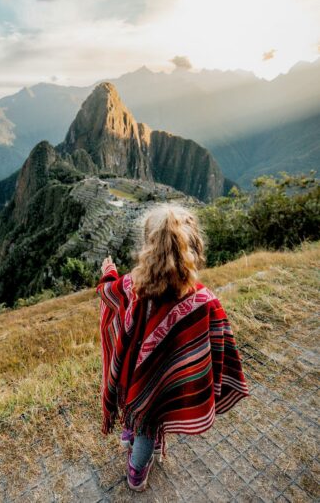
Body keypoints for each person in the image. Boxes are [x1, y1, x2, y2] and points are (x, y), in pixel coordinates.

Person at [97, 204, 249, 492]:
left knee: (135, 405)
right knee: (149, 427)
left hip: (131, 374)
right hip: (162, 387)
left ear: (147, 246)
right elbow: (216, 343)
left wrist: (109, 272)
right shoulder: (202, 301)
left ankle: (127, 435)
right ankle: (136, 471)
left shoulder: (132, 285)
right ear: (192, 246)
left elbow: (109, 292)